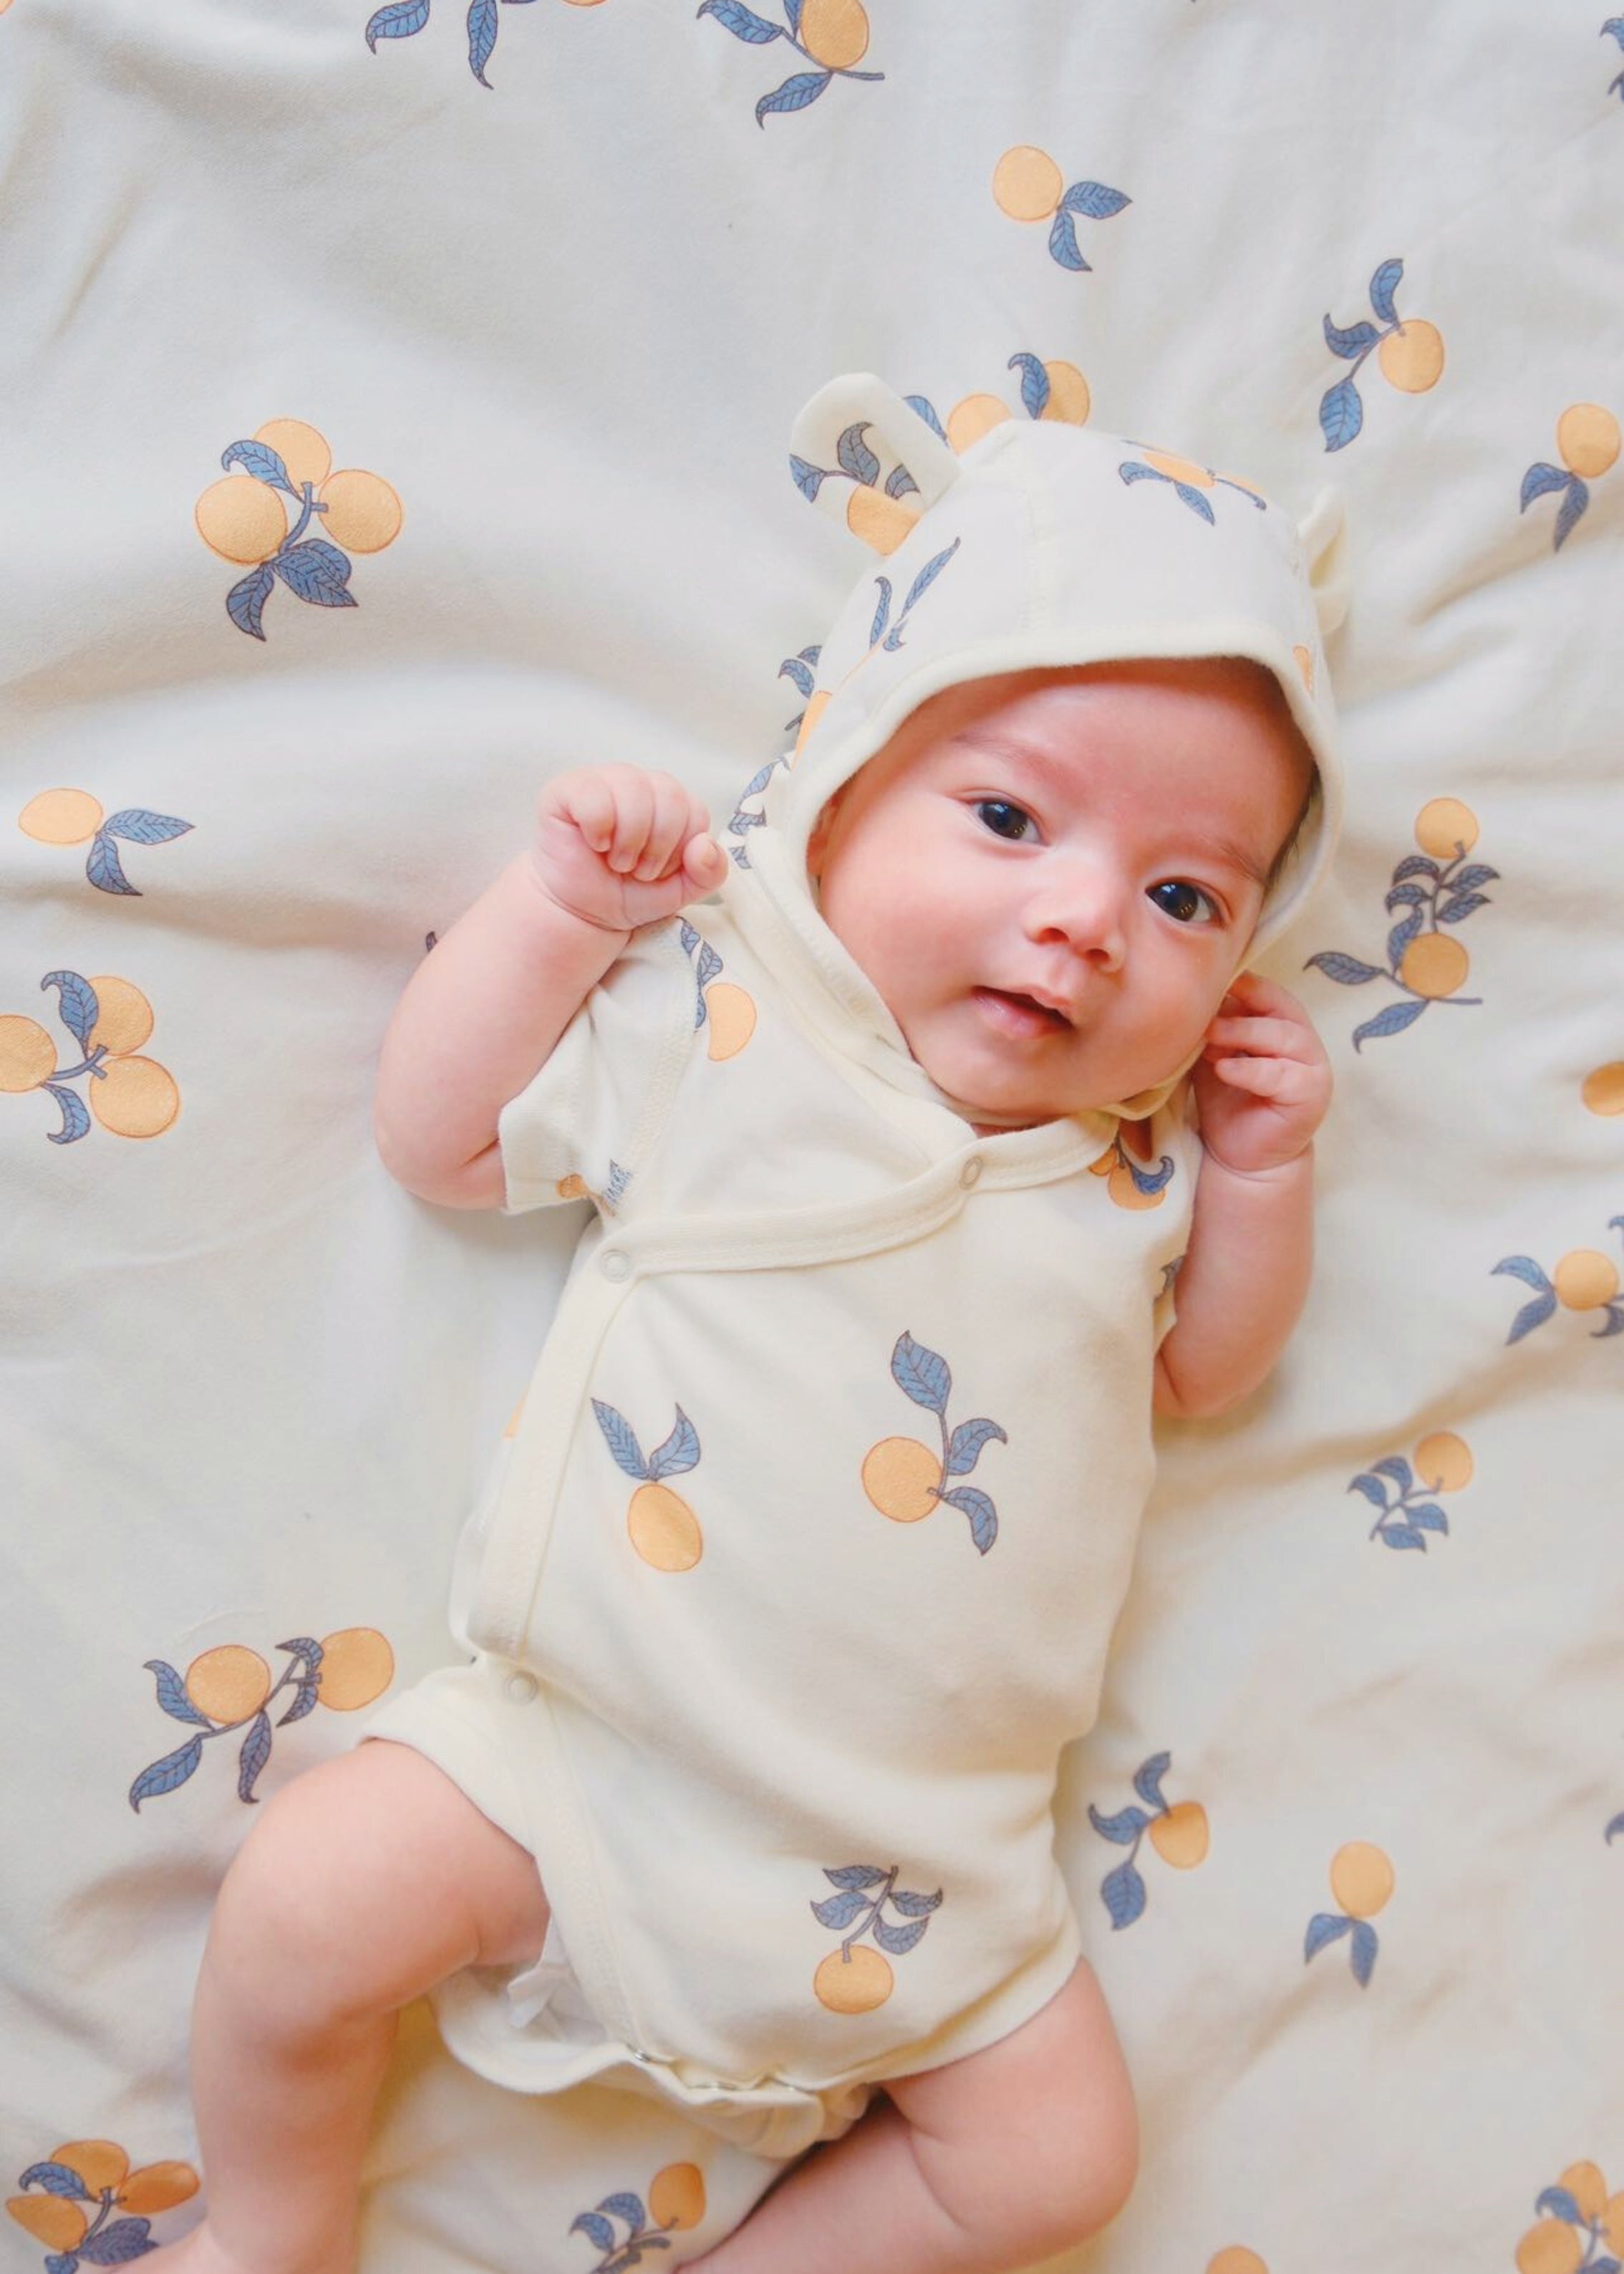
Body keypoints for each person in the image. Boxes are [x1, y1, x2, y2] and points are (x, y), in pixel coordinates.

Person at [145, 377, 1345, 2274]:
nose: (1084, 922)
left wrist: (1262, 1180)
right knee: (306, 1907)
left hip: (932, 1866)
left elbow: (1203, 1373)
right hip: (588, 1765)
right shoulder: (734, 1033)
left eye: (1184, 894)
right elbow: (442, 1141)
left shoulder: (1135, 1169)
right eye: (1009, 815)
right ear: (843, 781)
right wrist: (555, 917)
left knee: (1050, 2172)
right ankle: (271, 2227)